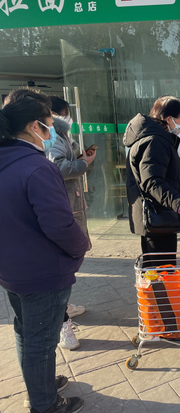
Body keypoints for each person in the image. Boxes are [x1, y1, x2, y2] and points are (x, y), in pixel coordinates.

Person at [0, 88, 88, 413]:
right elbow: (60, 226)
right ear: (36, 126)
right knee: (40, 342)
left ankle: (41, 385)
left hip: (12, 269)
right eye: (51, 123)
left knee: (25, 333)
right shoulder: (36, 167)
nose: (54, 130)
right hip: (43, 273)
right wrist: (82, 247)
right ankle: (45, 403)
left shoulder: (6, 159)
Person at [125, 95, 180, 267]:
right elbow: (151, 181)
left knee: (153, 275)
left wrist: (178, 168)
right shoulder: (155, 140)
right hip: (159, 218)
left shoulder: (151, 137)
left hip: (156, 218)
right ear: (169, 119)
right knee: (163, 276)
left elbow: (153, 172)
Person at [46, 96, 96, 351]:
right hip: (63, 207)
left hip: (70, 204)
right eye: (65, 114)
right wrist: (83, 163)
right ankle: (62, 323)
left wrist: (81, 159)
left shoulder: (60, 135)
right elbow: (58, 167)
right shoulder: (53, 136)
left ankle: (64, 308)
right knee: (62, 265)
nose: (68, 119)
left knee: (67, 266)